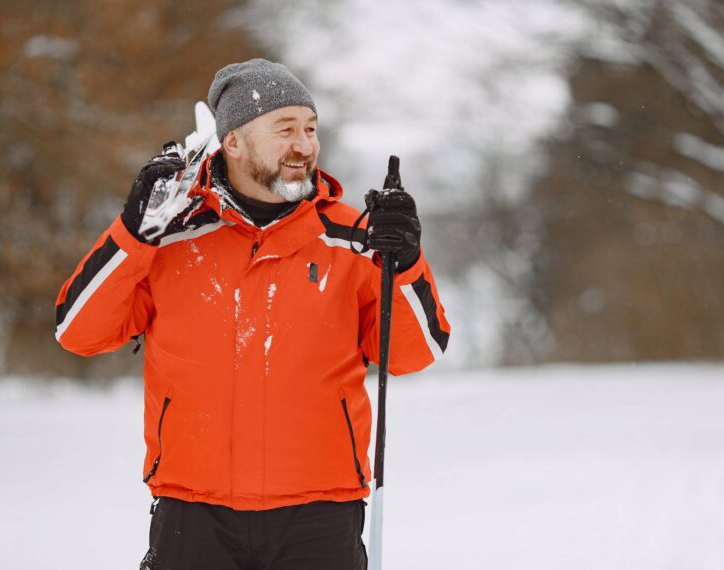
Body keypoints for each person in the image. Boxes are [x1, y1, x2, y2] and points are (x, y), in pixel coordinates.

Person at [55, 59, 450, 570]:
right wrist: (132, 232)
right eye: (284, 129)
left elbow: (414, 353)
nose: (304, 145)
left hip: (319, 512)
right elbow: (78, 332)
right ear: (234, 142)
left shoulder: (355, 238)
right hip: (192, 512)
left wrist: (407, 261)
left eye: (310, 129)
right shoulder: (169, 236)